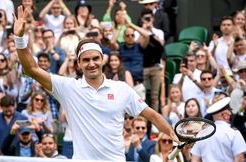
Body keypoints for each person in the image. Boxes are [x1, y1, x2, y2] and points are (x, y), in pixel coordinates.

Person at [13, 6, 178, 161]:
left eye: (95, 59)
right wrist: (19, 38)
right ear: (79, 63)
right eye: (86, 60)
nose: (91, 63)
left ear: (102, 60)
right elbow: (32, 69)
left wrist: (174, 135)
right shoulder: (68, 88)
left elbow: (154, 116)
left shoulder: (121, 89)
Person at [191, 97, 246, 162]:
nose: (230, 114)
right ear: (225, 115)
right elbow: (240, 158)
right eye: (229, 111)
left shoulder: (201, 134)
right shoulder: (233, 133)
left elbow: (195, 160)